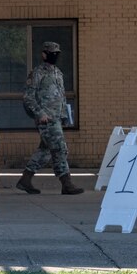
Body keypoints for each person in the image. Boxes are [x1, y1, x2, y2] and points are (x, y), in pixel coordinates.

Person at [16, 41, 84, 195]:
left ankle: (25, 179)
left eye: (57, 54)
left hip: (57, 118)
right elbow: (28, 97)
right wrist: (39, 113)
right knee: (60, 148)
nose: (55, 56)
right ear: (44, 54)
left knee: (45, 150)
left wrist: (65, 115)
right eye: (52, 53)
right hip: (46, 119)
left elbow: (61, 95)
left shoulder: (58, 73)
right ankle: (66, 183)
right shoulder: (37, 73)